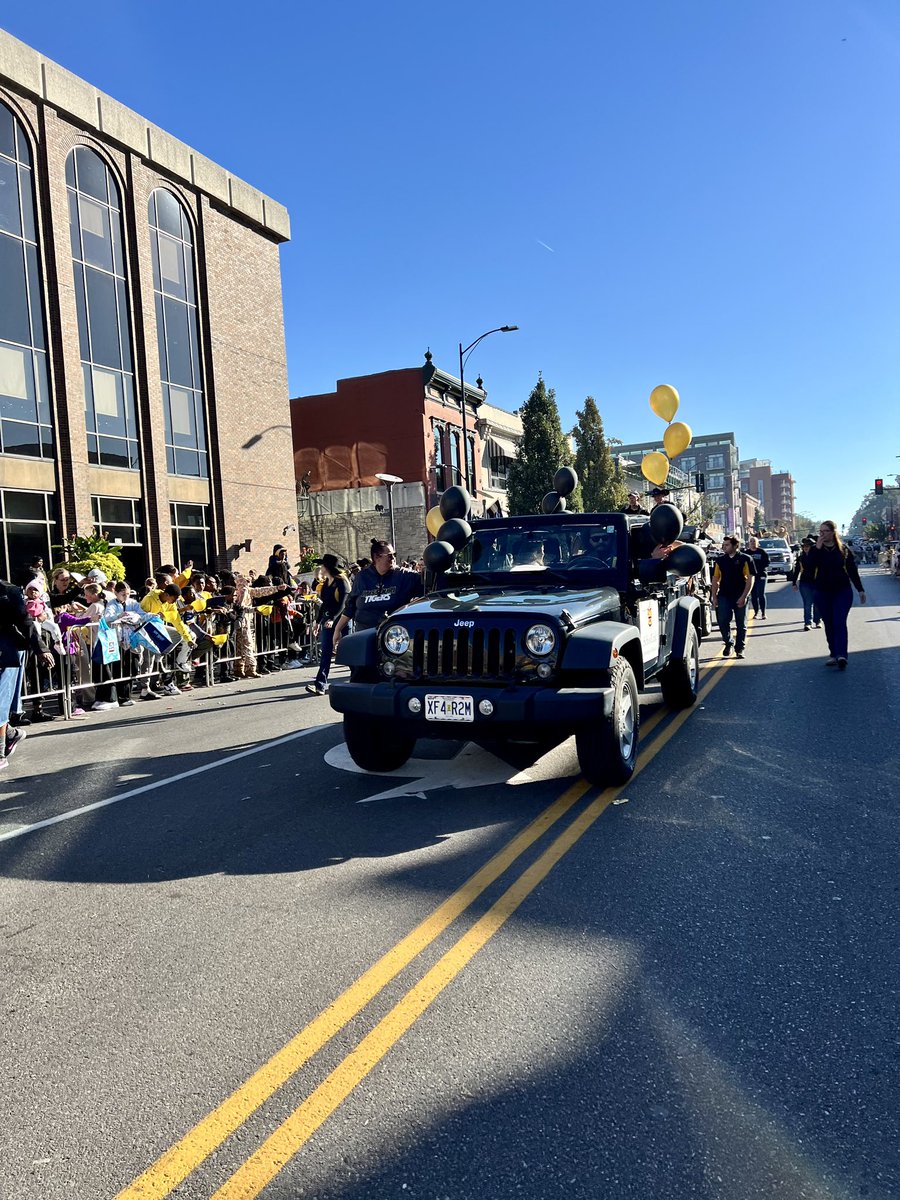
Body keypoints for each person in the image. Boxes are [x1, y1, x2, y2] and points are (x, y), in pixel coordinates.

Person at [0, 579, 54, 769]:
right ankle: (10, 734)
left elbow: (25, 621)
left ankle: (0, 753)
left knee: (0, 702)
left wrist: (41, 649)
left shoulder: (9, 591)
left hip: (5, 654)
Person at [332, 540, 424, 648]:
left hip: (395, 639)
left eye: (395, 555)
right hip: (364, 636)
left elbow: (429, 586)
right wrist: (337, 629)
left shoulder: (405, 576)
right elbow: (350, 607)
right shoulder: (362, 577)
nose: (393, 558)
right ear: (377, 557)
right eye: (390, 556)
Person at [804, 520, 866, 669]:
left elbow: (852, 571)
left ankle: (842, 655)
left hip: (842, 591)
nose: (822, 534)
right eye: (820, 532)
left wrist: (860, 589)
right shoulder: (815, 550)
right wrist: (817, 549)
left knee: (839, 622)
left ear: (833, 532)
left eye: (825, 531)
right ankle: (834, 653)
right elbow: (808, 569)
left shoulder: (843, 549)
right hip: (822, 592)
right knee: (829, 623)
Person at [306, 554, 349, 696]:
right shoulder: (325, 584)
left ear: (328, 567)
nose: (321, 568)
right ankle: (320, 685)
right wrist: (317, 622)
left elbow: (343, 605)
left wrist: (333, 619)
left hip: (342, 620)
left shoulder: (342, 582)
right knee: (325, 652)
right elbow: (324, 604)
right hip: (328, 622)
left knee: (350, 651)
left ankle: (358, 679)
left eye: (323, 566)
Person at [709, 534, 755, 658]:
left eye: (727, 545)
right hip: (724, 595)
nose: (724, 547)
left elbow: (750, 579)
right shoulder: (720, 560)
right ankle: (728, 642)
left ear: (735, 546)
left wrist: (744, 596)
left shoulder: (746, 559)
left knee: (741, 624)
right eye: (723, 545)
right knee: (723, 620)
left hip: (740, 594)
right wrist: (714, 596)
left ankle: (740, 648)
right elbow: (715, 579)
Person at [789, 536, 821, 631]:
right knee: (807, 603)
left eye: (808, 546)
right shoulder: (800, 558)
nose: (806, 547)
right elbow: (797, 571)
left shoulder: (817, 557)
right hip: (804, 583)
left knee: (817, 603)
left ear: (812, 547)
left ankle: (818, 620)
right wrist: (794, 583)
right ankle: (808, 623)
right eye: (804, 546)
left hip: (817, 582)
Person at [746, 535, 771, 619]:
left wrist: (759, 569)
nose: (753, 543)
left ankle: (763, 613)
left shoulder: (762, 552)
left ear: (758, 543)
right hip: (751, 576)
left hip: (761, 575)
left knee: (761, 594)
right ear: (749, 544)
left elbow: (767, 562)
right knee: (753, 595)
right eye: (751, 541)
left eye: (754, 541)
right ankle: (756, 612)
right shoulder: (747, 553)